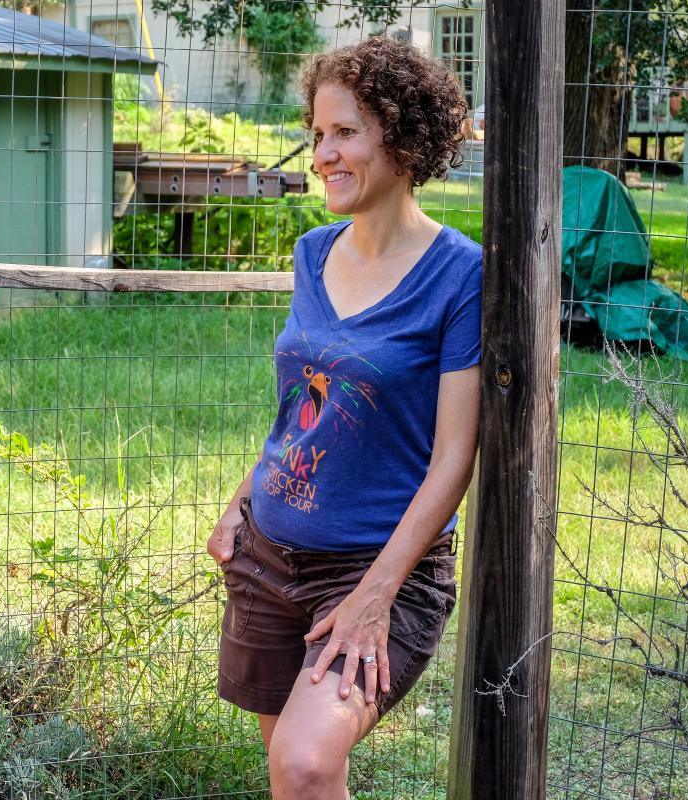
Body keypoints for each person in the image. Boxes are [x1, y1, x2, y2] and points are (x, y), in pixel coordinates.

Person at [207, 36, 480, 799]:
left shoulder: (460, 275)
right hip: (267, 555)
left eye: (346, 133)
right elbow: (305, 404)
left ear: (403, 136)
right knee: (302, 778)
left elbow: (454, 457)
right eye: (318, 134)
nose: (323, 153)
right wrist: (239, 499)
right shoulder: (311, 253)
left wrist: (374, 596)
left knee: (303, 761)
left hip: (376, 567)